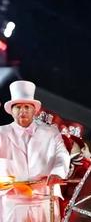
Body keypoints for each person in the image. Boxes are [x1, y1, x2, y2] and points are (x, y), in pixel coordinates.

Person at [0, 80, 70, 221]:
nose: (22, 111)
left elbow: (62, 155)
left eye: (27, 106)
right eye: (18, 107)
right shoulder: (1, 133)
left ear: (35, 110)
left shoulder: (51, 132)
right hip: (13, 203)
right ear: (11, 110)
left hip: (45, 200)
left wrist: (57, 172)